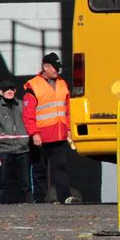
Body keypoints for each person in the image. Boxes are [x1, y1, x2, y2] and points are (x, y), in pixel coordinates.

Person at [22, 53, 77, 203]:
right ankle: (39, 199)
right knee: (39, 170)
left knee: (61, 168)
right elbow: (28, 114)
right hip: (41, 136)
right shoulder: (33, 86)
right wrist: (34, 133)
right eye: (54, 68)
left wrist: (68, 129)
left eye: (58, 68)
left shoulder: (62, 83)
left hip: (59, 135)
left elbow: (67, 110)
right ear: (45, 67)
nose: (57, 71)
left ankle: (64, 197)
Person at [0, 77, 31, 204]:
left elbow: (30, 123)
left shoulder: (22, 105)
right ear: (1, 92)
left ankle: (28, 207)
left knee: (25, 183)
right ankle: (2, 208)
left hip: (22, 150)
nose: (10, 91)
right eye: (7, 89)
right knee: (2, 183)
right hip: (4, 150)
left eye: (12, 89)